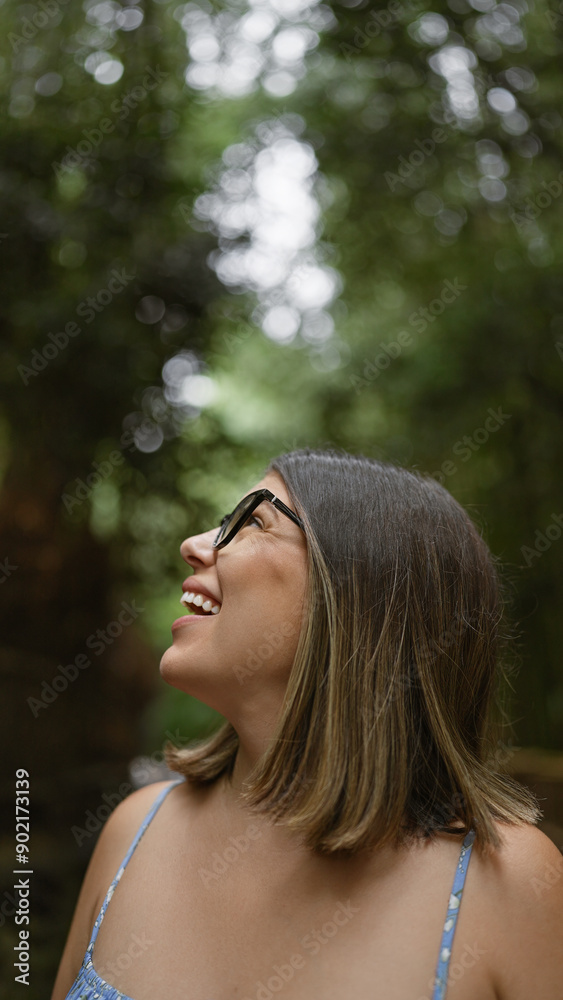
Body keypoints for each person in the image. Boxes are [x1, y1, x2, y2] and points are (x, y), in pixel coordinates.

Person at [52, 448, 563, 1000]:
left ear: (356, 591)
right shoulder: (133, 829)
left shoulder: (510, 884)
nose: (195, 545)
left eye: (252, 522)